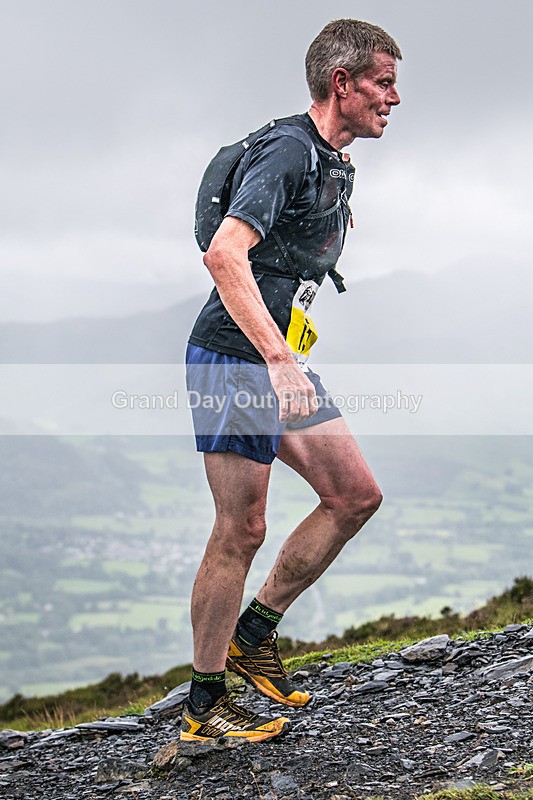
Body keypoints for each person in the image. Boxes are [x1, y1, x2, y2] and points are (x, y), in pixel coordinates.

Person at [181, 18, 402, 742]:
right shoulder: (287, 150)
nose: (393, 98)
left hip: (277, 357)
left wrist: (284, 358)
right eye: (382, 83)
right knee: (240, 529)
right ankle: (203, 710)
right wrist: (277, 360)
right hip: (236, 359)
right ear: (341, 83)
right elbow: (224, 254)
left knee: (354, 495)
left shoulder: (330, 158)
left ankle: (253, 635)